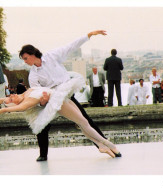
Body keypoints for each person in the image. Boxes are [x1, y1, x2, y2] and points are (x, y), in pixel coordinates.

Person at [0, 75, 121, 159]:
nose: (11, 96)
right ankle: (107, 144)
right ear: (13, 104)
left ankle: (101, 145)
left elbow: (1, 100)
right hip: (57, 103)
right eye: (10, 99)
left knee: (82, 123)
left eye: (9, 96)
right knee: (83, 122)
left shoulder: (23, 94)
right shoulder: (25, 103)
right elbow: (4, 110)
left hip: (60, 96)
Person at [19, 30, 109, 161]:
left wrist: (89, 35)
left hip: (66, 95)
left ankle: (105, 144)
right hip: (51, 100)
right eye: (23, 60)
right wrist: (42, 102)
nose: (25, 62)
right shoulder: (33, 75)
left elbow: (70, 46)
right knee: (42, 126)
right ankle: (43, 154)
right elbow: (37, 93)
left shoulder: (51, 56)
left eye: (26, 58)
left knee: (85, 120)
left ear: (33, 54)